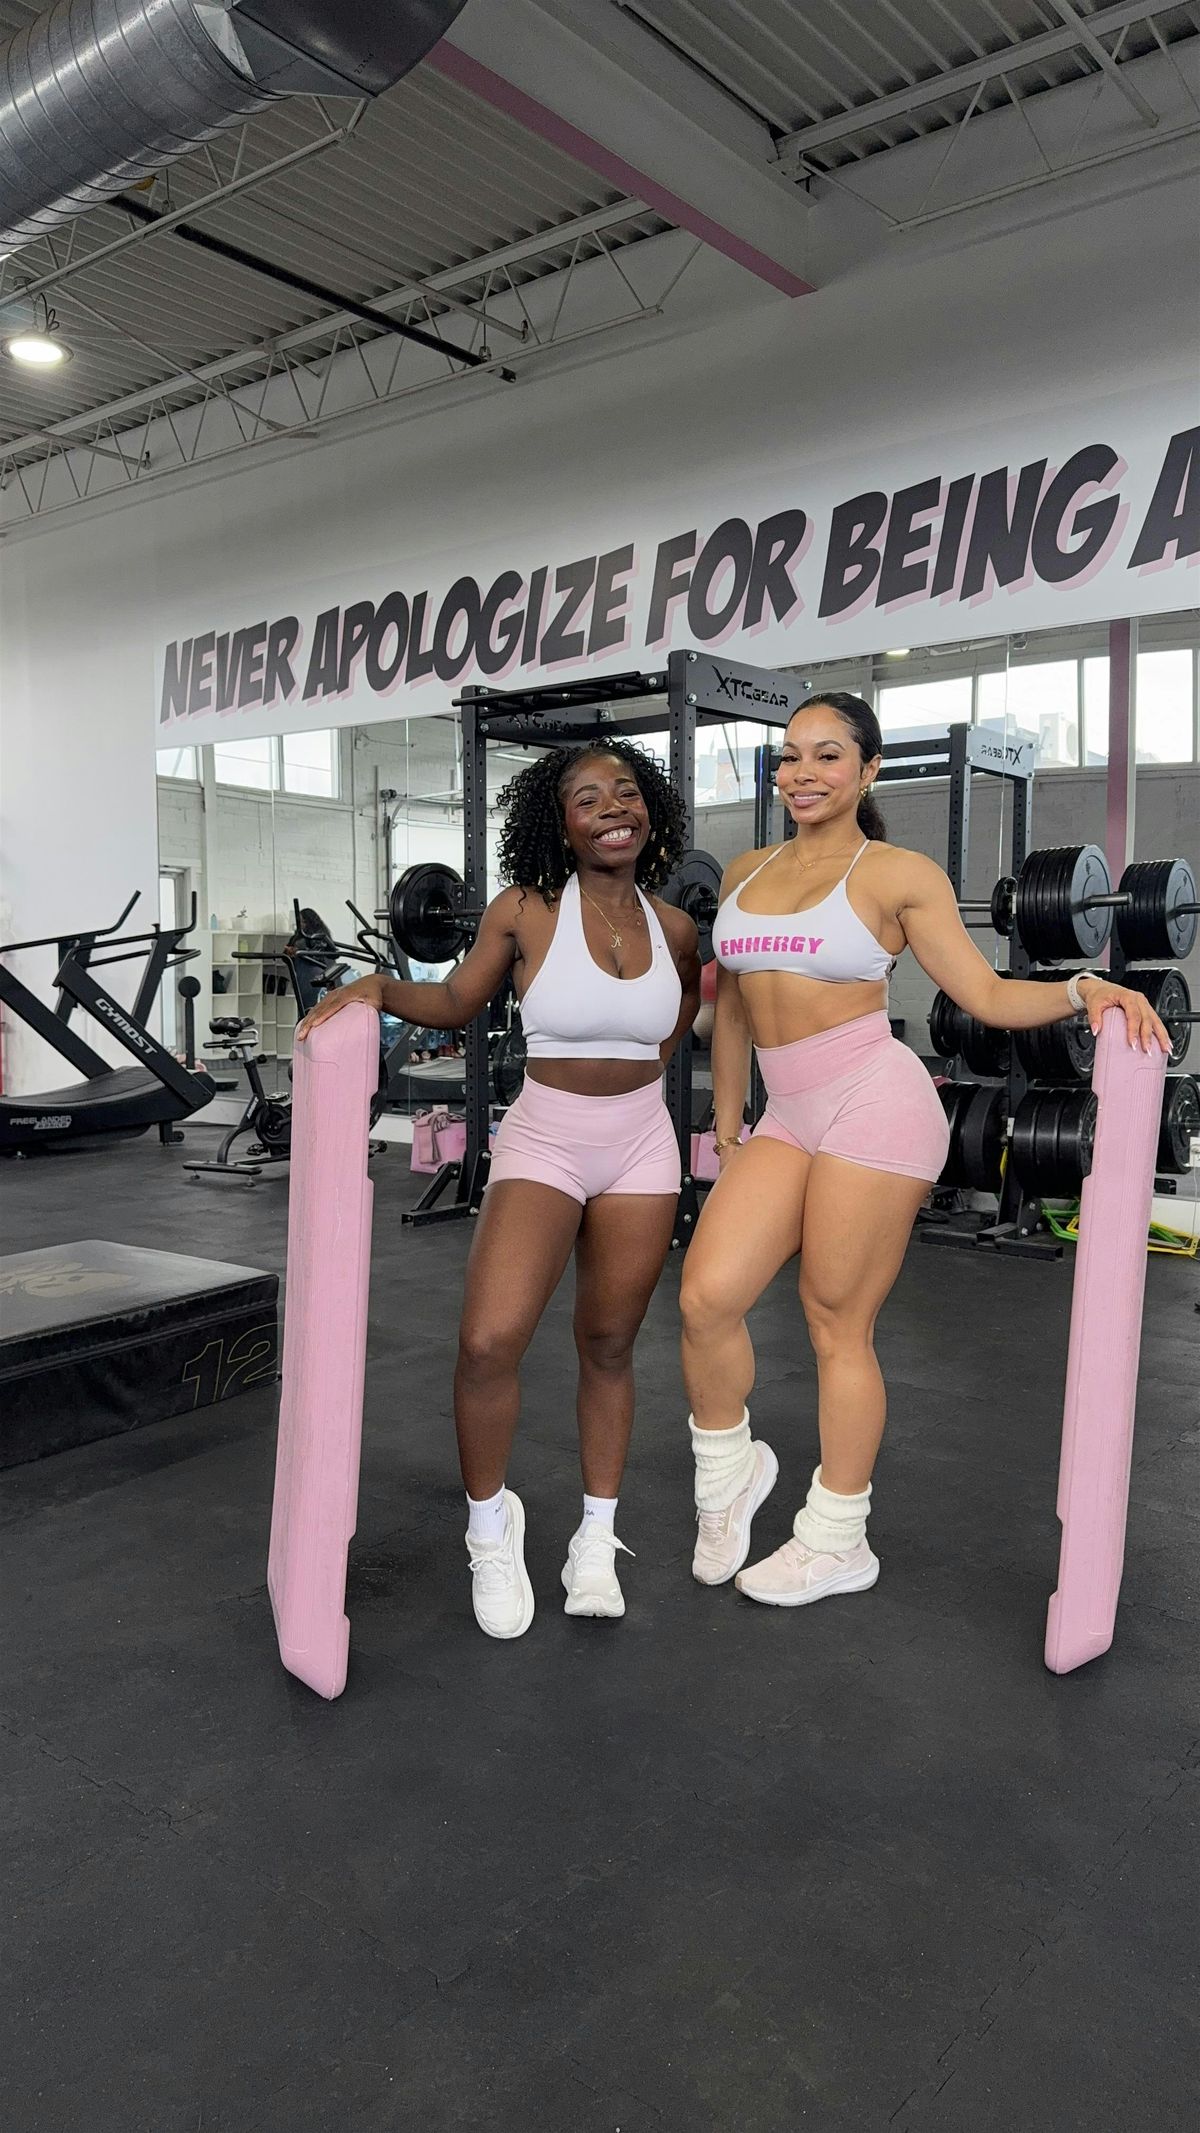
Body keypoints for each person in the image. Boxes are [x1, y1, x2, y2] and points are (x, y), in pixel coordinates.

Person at [678, 691, 1171, 1610]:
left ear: (868, 770)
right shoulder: (746, 870)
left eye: (828, 755)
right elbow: (735, 1008)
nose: (803, 774)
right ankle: (731, 1473)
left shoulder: (897, 874)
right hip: (788, 1112)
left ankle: (838, 1537)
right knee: (706, 1297)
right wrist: (731, 1128)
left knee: (835, 1319)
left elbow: (985, 993)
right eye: (791, 757)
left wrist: (1083, 989)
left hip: (874, 1099)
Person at [296, 742, 700, 1640]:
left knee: (609, 1343)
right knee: (487, 1341)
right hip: (547, 1135)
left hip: (641, 1143)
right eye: (588, 798)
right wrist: (374, 987)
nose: (612, 808)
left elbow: (676, 1019)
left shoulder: (675, 928)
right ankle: (490, 1527)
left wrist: (631, 1083)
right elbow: (455, 1003)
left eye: (626, 792)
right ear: (560, 822)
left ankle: (596, 1538)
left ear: (652, 810)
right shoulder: (525, 910)